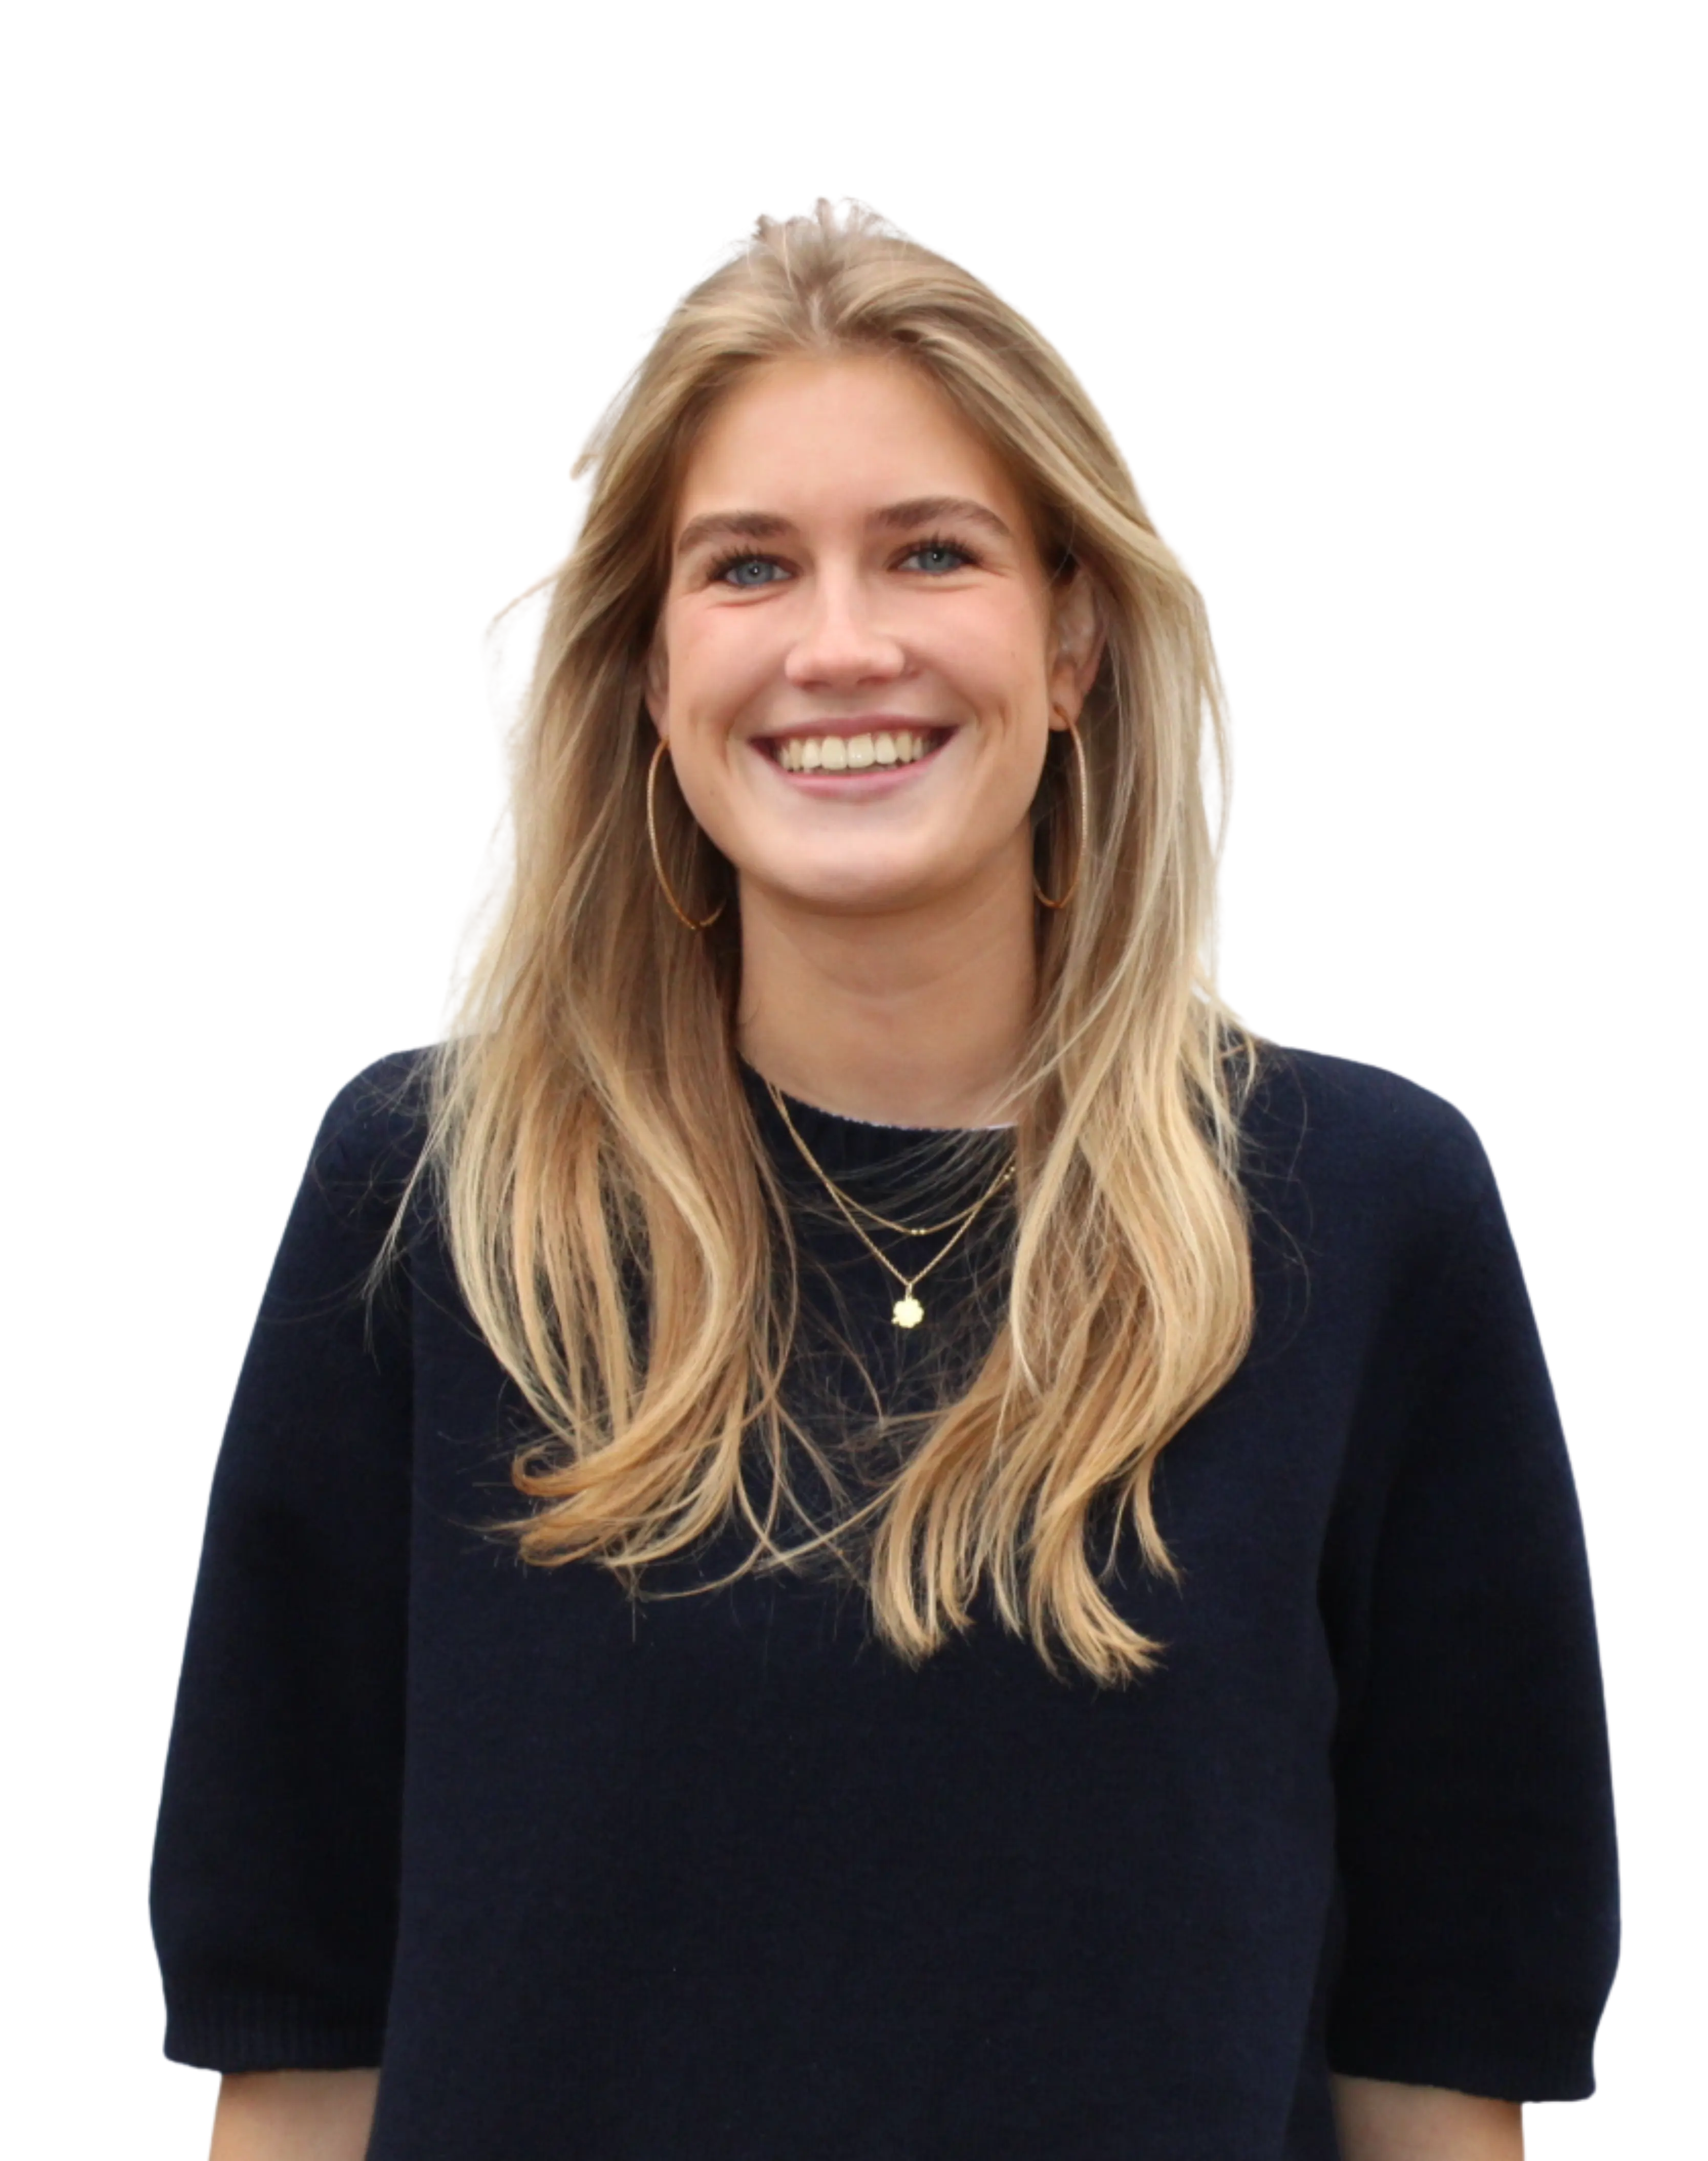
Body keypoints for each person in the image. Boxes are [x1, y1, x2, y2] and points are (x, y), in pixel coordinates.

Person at [154, 195, 1616, 2160]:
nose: (839, 647)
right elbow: (296, 2034)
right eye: (747, 566)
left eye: (932, 551)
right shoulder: (433, 1201)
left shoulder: (1367, 1211)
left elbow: (1441, 2058)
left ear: (1072, 640)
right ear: (650, 667)